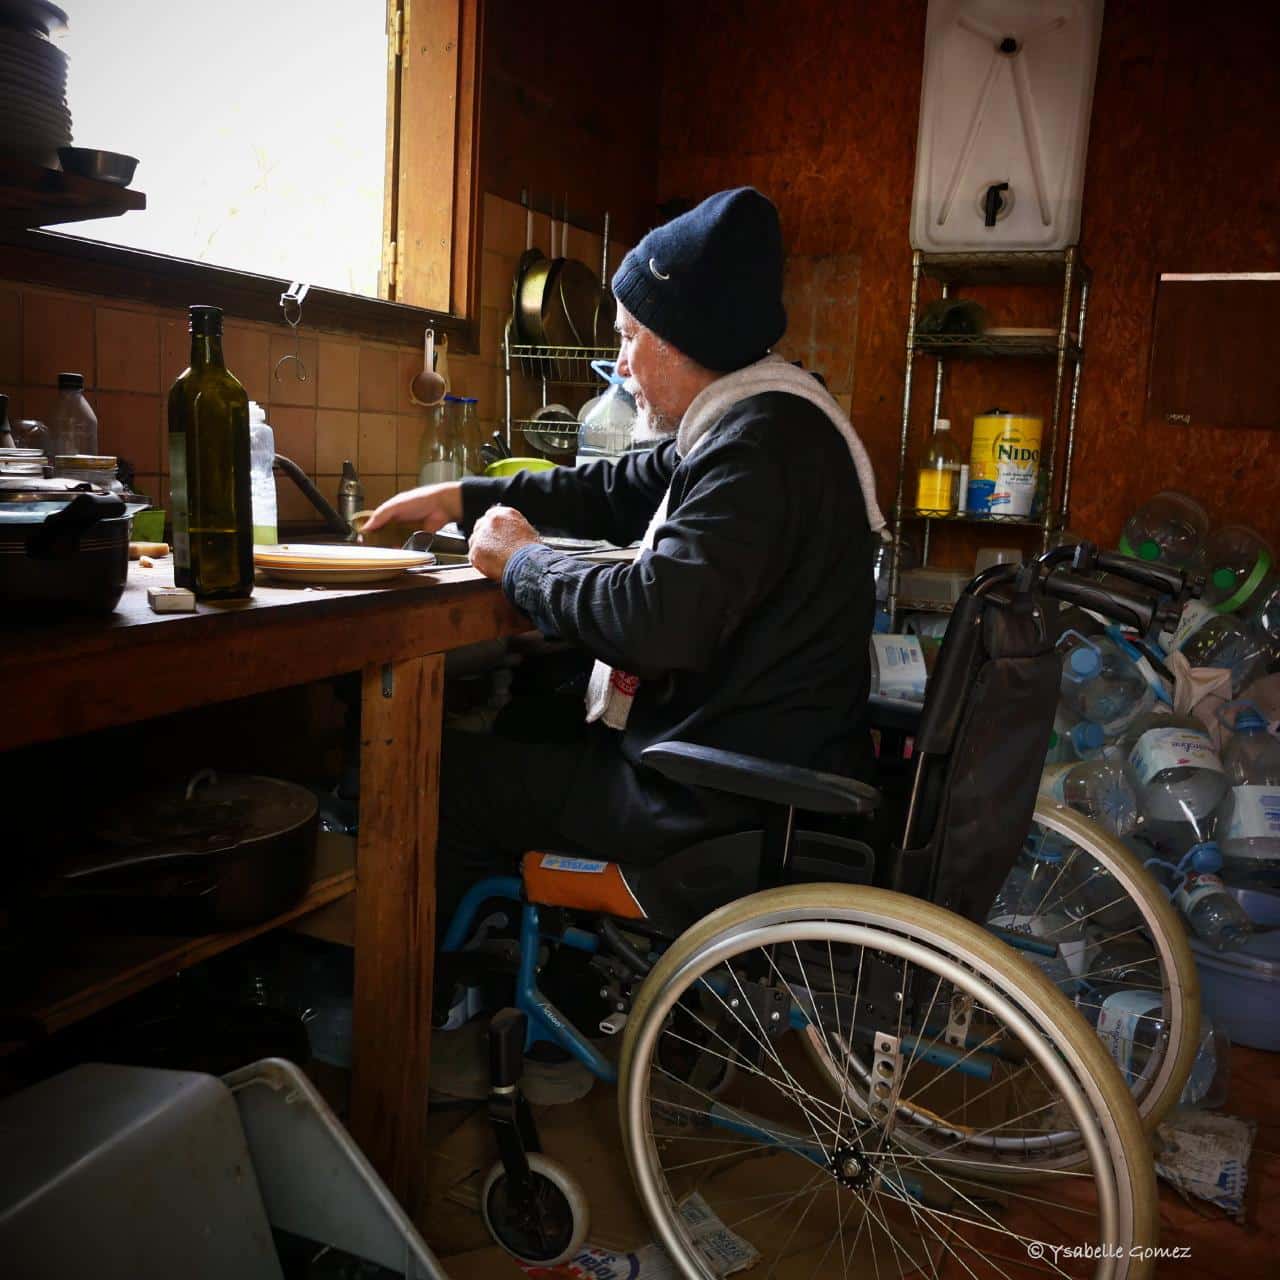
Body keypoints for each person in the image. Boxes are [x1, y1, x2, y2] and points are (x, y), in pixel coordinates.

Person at [362, 186, 886, 927]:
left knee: (432, 772)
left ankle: (430, 1005)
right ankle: (553, 969)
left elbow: (655, 620)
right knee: (529, 727)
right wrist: (462, 498)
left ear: (682, 340)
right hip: (759, 762)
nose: (621, 364)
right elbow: (616, 488)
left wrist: (523, 562)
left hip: (720, 792)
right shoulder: (760, 420)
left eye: (630, 337)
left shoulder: (756, 448)